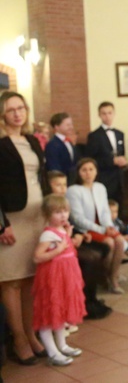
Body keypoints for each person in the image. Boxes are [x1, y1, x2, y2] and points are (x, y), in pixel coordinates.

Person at [0, 91, 48, 365]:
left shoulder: (32, 141)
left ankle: (31, 334)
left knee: (30, 279)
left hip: (36, 219)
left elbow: (40, 178)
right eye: (11, 110)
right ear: (2, 115)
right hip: (11, 222)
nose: (17, 114)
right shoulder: (0, 144)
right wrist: (1, 224)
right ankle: (17, 339)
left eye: (21, 108)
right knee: (12, 281)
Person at [48, 170, 112, 320]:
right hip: (58, 245)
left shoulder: (62, 200)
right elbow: (52, 228)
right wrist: (72, 238)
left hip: (69, 240)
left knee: (104, 248)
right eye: (58, 185)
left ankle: (91, 296)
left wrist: (80, 234)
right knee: (91, 258)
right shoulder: (49, 204)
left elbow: (68, 223)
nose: (63, 189)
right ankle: (86, 302)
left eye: (64, 184)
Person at [32, 194, 85, 367]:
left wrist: (68, 236)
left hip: (65, 277)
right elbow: (38, 257)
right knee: (49, 313)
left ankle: (62, 345)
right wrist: (59, 249)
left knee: (60, 311)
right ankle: (52, 351)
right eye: (57, 212)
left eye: (65, 211)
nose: (62, 215)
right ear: (48, 215)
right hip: (53, 279)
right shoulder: (48, 234)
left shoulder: (62, 230)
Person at [66, 158, 128, 294]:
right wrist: (101, 229)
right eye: (84, 170)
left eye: (91, 169)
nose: (88, 173)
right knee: (110, 243)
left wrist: (108, 226)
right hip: (87, 229)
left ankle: (113, 275)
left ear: (96, 172)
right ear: (78, 173)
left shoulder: (100, 187)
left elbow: (105, 211)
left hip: (103, 226)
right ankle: (108, 278)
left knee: (120, 241)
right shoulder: (73, 190)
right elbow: (77, 218)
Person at [86, 101, 127, 207]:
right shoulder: (94, 135)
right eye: (104, 113)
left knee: (119, 204)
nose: (107, 116)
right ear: (99, 115)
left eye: (109, 113)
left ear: (114, 114)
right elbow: (91, 159)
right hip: (104, 177)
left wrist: (123, 160)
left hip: (118, 177)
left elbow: (121, 152)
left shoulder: (119, 133)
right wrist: (111, 161)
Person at [45, 112, 79, 185]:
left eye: (71, 124)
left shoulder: (69, 142)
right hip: (61, 183)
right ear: (57, 127)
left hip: (72, 182)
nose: (71, 127)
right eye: (67, 125)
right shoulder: (52, 145)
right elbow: (54, 168)